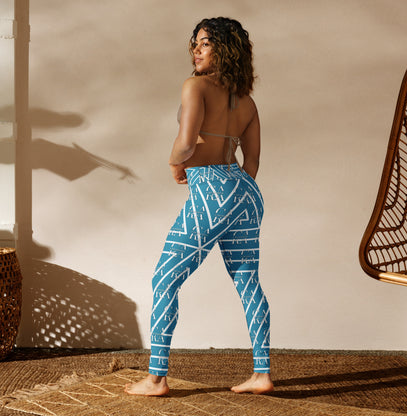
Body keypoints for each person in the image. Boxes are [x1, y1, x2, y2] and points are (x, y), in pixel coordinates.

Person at [125, 17, 273, 396]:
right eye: (195, 42)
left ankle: (156, 378)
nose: (196, 49)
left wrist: (176, 165)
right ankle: (262, 374)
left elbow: (186, 142)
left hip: (210, 189)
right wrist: (232, 191)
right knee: (248, 281)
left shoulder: (195, 87)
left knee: (164, 278)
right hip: (245, 193)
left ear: (225, 49)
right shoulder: (248, 103)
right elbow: (252, 162)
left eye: (205, 43)